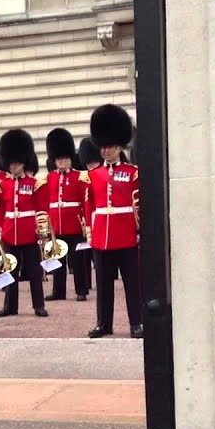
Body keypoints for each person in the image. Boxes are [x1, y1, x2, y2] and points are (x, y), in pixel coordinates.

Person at [86, 104, 144, 339]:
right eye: (103, 146)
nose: (105, 151)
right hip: (102, 237)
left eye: (109, 146)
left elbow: (139, 204)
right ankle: (104, 323)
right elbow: (90, 206)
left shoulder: (132, 172)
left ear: (119, 146)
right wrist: (90, 232)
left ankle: (136, 323)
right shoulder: (93, 175)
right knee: (103, 286)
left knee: (132, 284)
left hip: (126, 234)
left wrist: (139, 230)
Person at [0, 129, 48, 319]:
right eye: (11, 164)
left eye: (16, 163)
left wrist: (41, 231)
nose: (14, 167)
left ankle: (39, 305)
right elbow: (0, 211)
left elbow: (42, 208)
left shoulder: (35, 184)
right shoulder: (3, 185)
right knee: (11, 270)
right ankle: (10, 305)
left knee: (34, 272)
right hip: (10, 231)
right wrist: (0, 231)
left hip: (29, 232)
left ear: (23, 163)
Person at [39, 128, 91, 302]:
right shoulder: (49, 178)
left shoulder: (79, 176)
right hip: (56, 225)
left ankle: (81, 290)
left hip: (74, 224)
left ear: (70, 159)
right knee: (57, 259)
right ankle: (58, 291)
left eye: (64, 159)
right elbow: (46, 202)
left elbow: (84, 202)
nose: (61, 162)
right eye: (58, 159)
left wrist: (85, 223)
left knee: (78, 260)